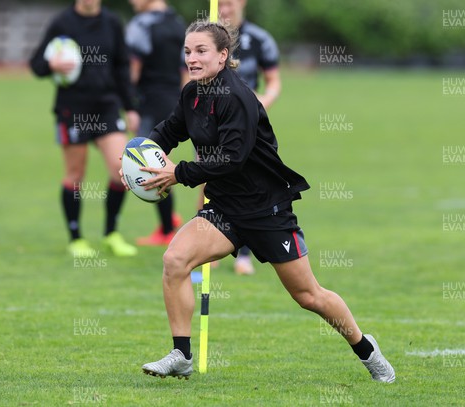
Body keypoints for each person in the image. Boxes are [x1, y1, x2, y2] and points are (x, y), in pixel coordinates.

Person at [119, 21, 396, 383]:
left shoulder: (237, 98)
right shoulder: (192, 95)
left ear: (223, 55)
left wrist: (179, 173)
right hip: (224, 208)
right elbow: (168, 131)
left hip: (268, 209)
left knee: (309, 296)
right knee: (174, 260)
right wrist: (139, 162)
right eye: (188, 52)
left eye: (201, 51)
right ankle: (181, 355)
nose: (192, 58)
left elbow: (231, 158)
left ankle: (367, 350)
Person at [29, 0, 139, 258]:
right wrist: (51, 66)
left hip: (107, 106)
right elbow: (36, 64)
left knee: (121, 170)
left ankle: (111, 233)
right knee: (75, 174)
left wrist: (130, 107)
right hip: (72, 108)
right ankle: (76, 238)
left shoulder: (112, 22)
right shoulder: (62, 23)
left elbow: (122, 66)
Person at [210, 0, 283, 275]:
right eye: (221, 4)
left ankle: (244, 254)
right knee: (209, 179)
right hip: (214, 121)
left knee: (251, 183)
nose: (225, 9)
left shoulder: (260, 39)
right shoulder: (205, 39)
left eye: (229, 4)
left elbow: (273, 80)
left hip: (248, 125)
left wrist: (263, 100)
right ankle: (210, 244)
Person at [126, 0, 188, 245]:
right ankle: (167, 224)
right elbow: (186, 69)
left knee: (145, 165)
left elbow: (132, 72)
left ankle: (166, 228)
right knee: (159, 162)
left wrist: (129, 106)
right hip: (174, 101)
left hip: (148, 104)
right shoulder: (179, 22)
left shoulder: (140, 24)